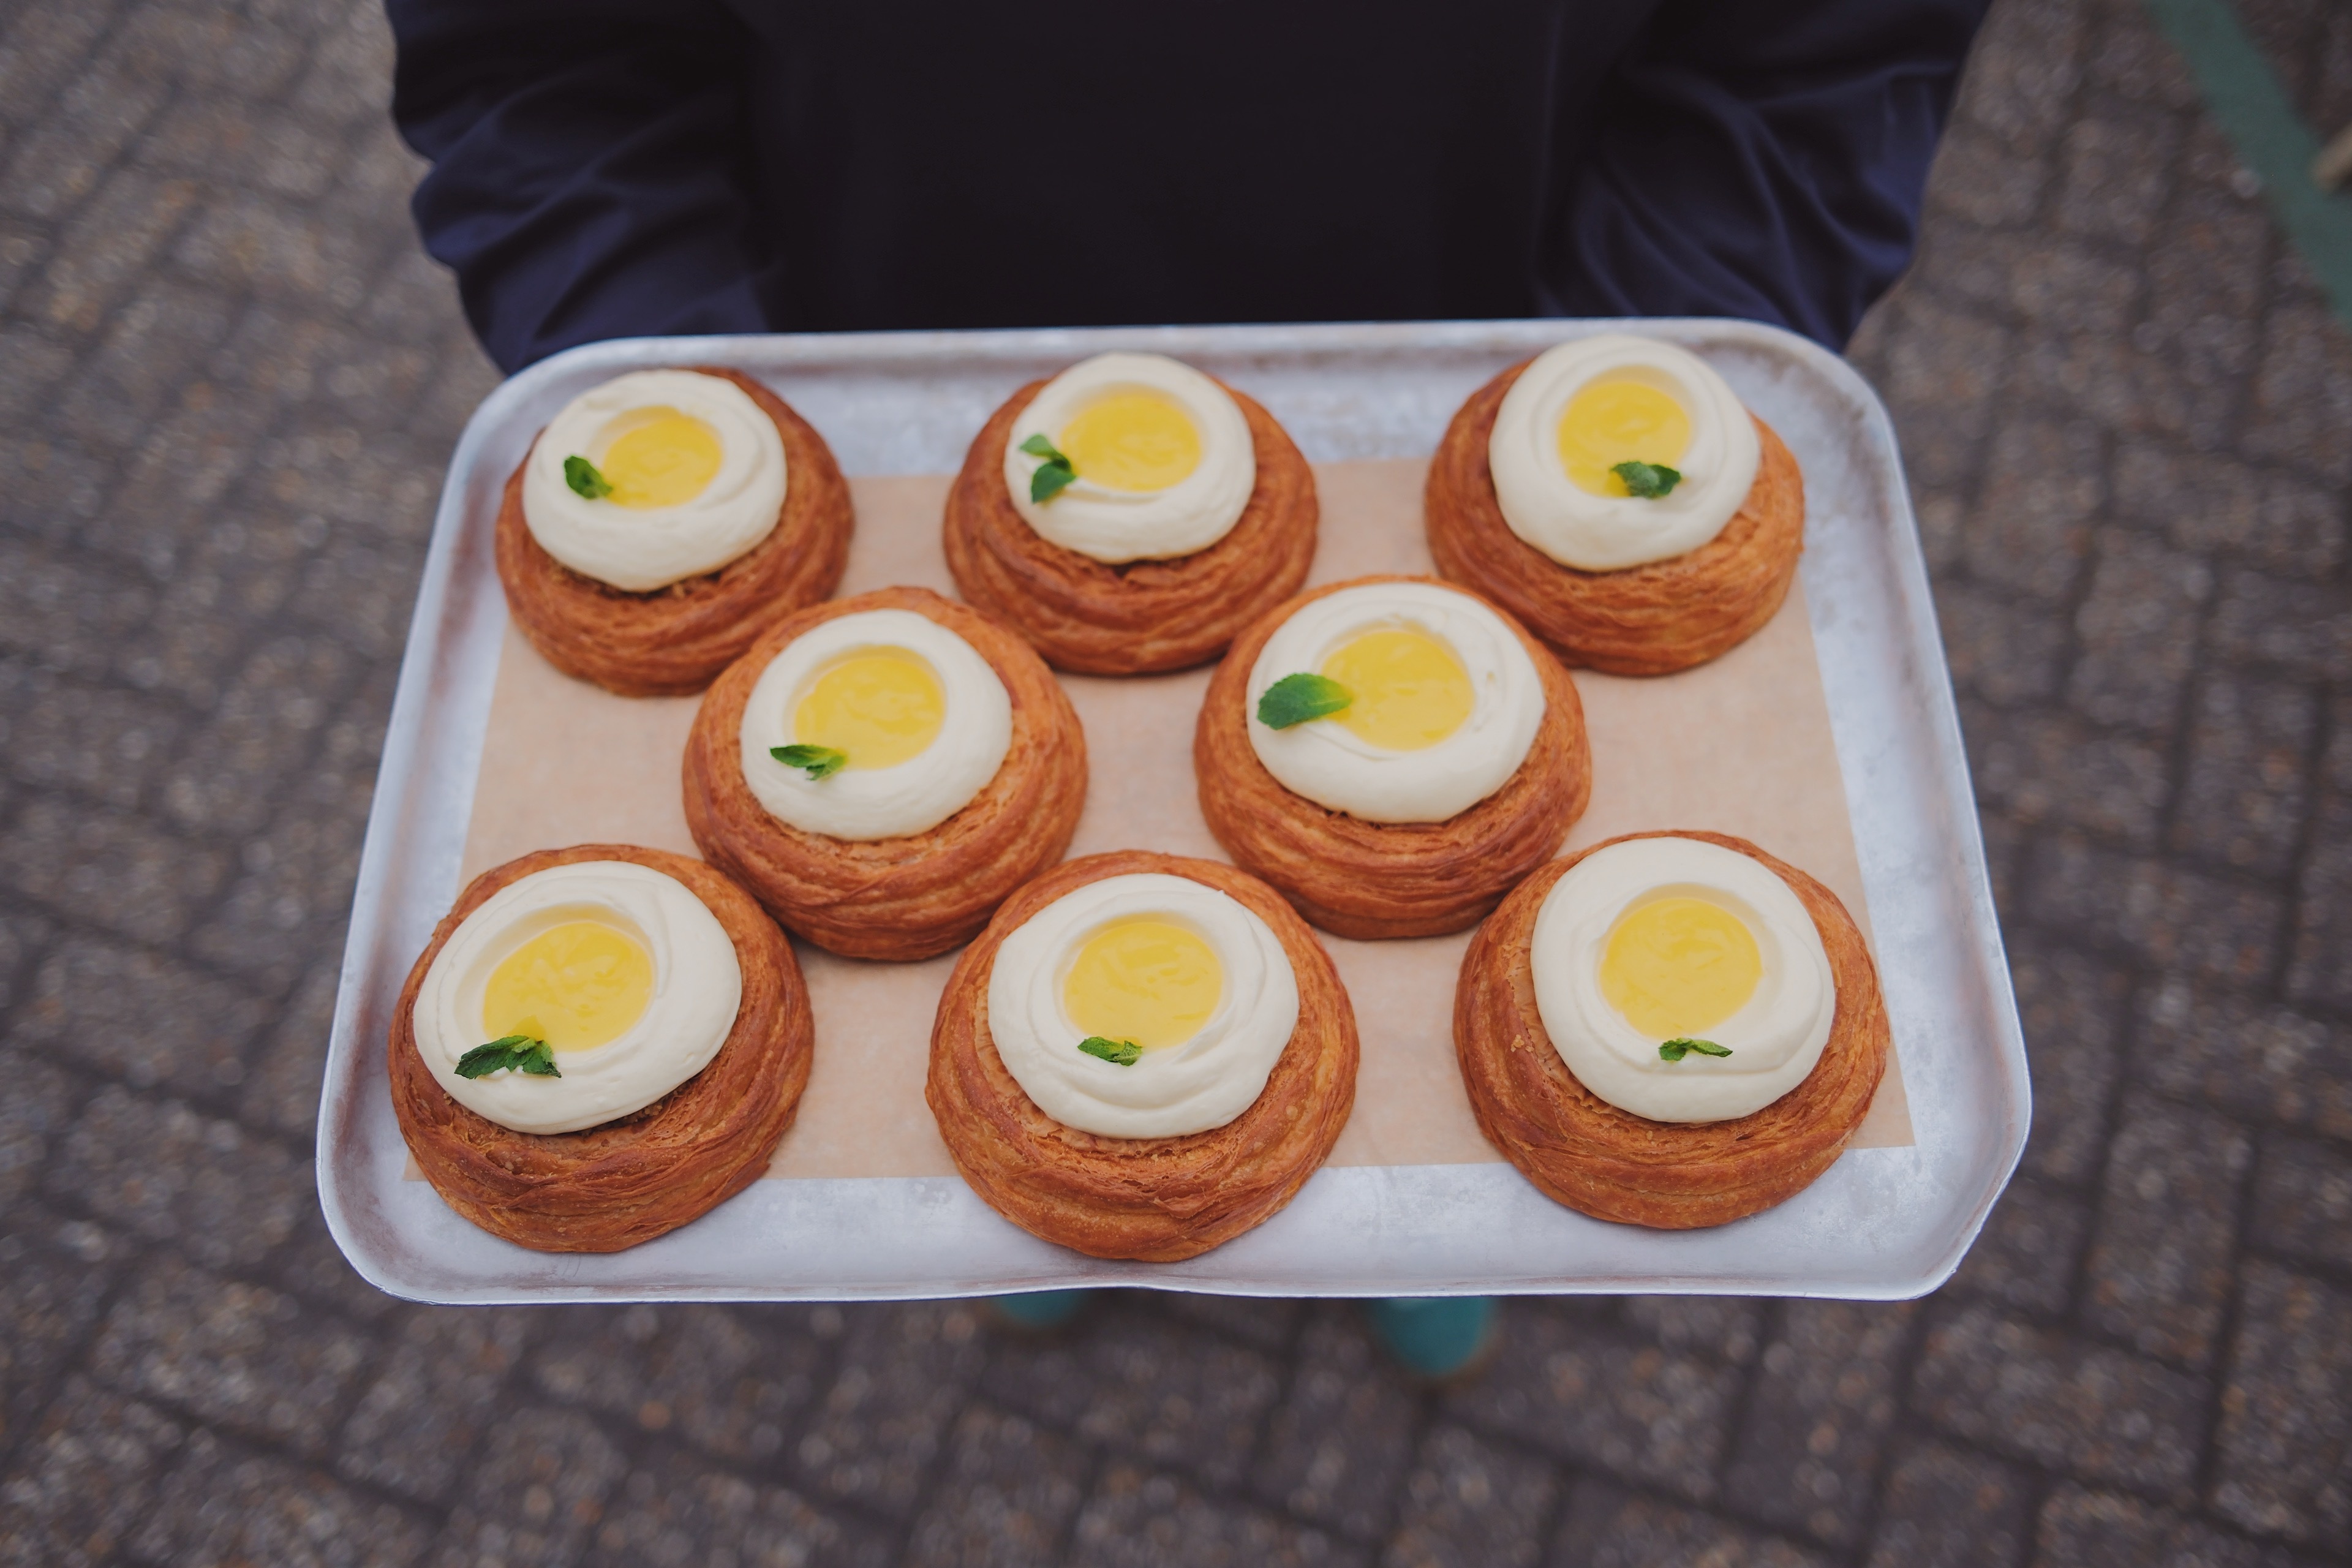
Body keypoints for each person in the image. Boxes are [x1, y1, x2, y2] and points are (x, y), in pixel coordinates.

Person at [386, 0, 1986, 1377]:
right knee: (1054, 1136)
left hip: (1524, 302)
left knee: (1437, 1126)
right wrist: (664, 395)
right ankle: (1051, 1222)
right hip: (866, 333)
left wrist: (1651, 365)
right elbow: (540, 64)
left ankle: (1426, 1239)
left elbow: (1826, 52)